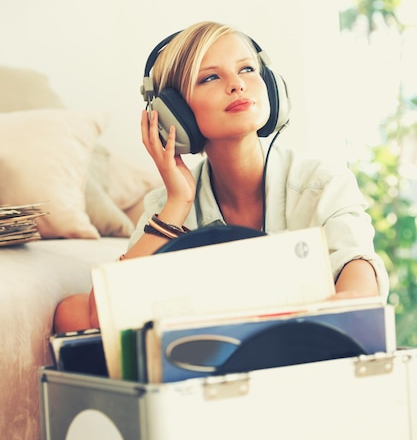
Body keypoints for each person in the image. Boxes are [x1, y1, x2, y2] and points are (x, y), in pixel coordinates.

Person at [53, 20, 389, 333]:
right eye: (210, 77)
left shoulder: (321, 183)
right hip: (212, 363)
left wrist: (347, 299)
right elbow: (100, 317)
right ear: (174, 113)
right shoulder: (168, 205)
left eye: (247, 69)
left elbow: (357, 270)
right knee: (71, 311)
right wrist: (177, 204)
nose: (238, 84)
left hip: (302, 348)